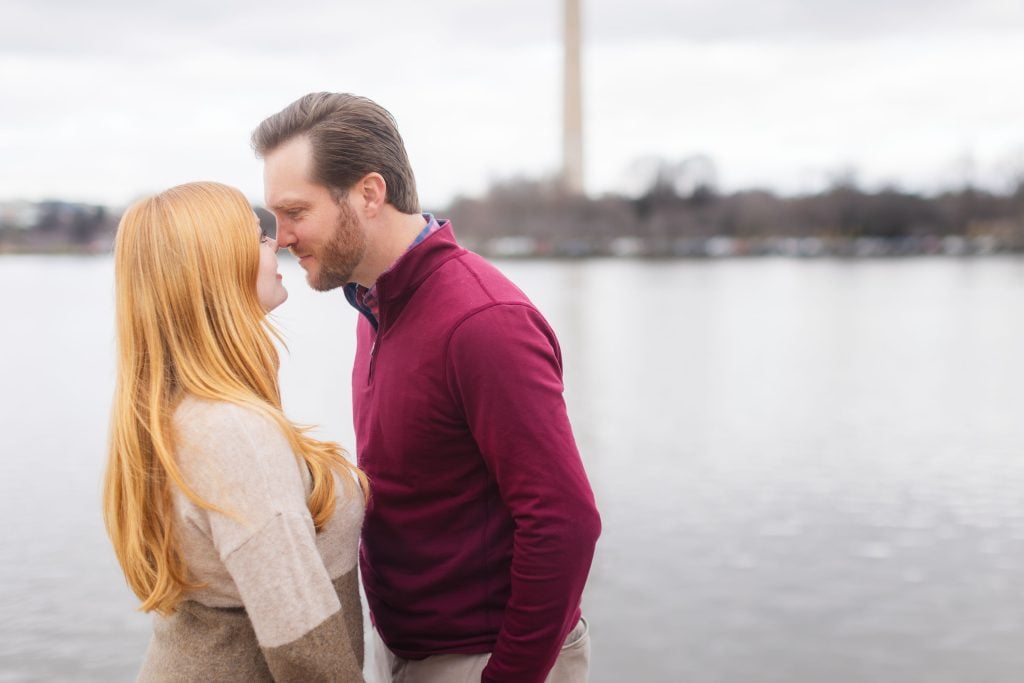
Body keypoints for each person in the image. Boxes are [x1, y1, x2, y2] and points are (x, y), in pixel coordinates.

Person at [253, 93, 602, 683]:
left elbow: (565, 521)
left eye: (295, 211)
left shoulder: (482, 322)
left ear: (368, 194)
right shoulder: (376, 304)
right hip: (411, 650)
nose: (281, 237)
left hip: (486, 658)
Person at [103, 181, 369, 682]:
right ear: (219, 268)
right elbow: (305, 649)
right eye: (258, 237)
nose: (278, 244)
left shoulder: (183, 410)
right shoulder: (232, 430)